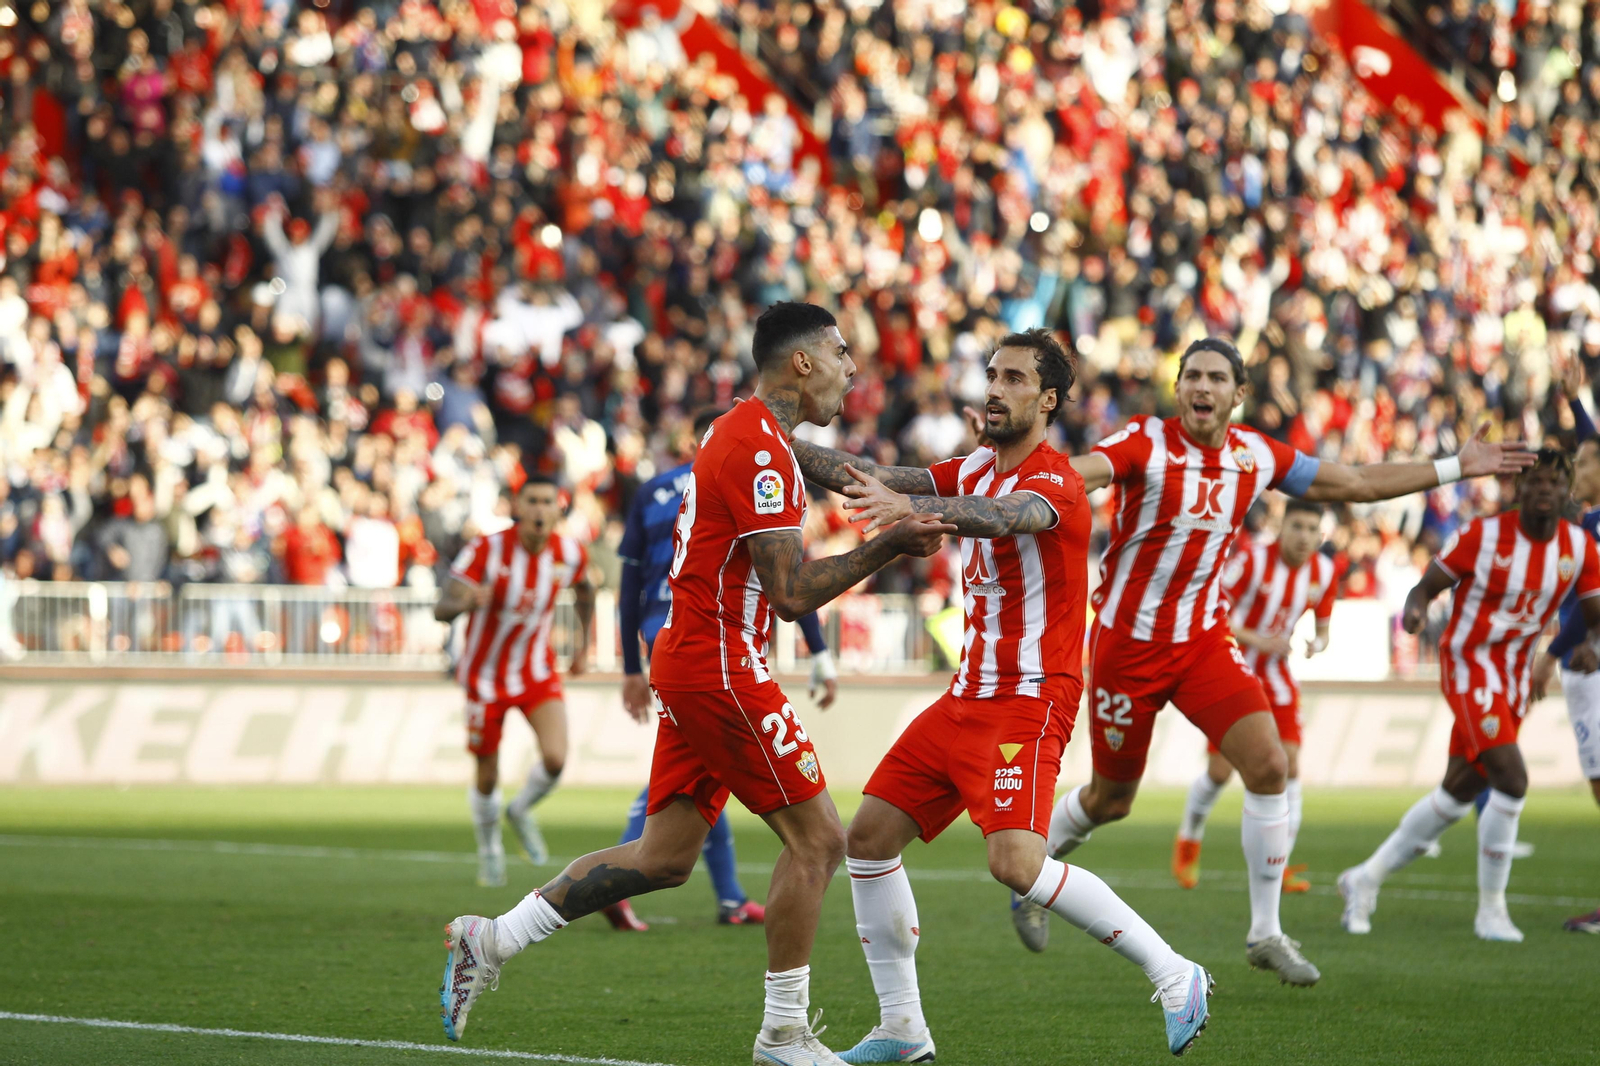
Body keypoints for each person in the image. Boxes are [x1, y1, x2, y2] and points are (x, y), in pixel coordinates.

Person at [438, 302, 953, 1066]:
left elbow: (853, 475)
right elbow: (789, 592)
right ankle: (784, 1033)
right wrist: (890, 546)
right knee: (817, 841)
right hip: (721, 664)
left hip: (696, 658)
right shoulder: (757, 450)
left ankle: (492, 937)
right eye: (842, 353)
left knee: (663, 857)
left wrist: (949, 486)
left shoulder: (751, 432)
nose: (855, 369)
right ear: (801, 362)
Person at [1013, 337, 1532, 985]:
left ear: (1239, 393)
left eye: (1216, 378)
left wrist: (1458, 465)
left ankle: (1266, 933)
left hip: (1203, 641)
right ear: (1180, 389)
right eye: (1192, 376)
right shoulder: (1146, 442)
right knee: (1112, 799)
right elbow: (1081, 472)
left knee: (1269, 766)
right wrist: (1018, 480)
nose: (1202, 387)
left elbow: (1359, 482)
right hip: (1128, 647)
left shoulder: (1255, 456)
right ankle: (1032, 871)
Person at [792, 330, 1213, 1060]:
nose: (993, 388)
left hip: (1030, 699)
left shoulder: (1054, 480)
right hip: (966, 699)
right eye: (991, 374)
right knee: (866, 842)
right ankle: (902, 1027)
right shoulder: (975, 466)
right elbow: (866, 472)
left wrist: (917, 507)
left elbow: (1005, 516)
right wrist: (769, 434)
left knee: (1016, 865)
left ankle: (1175, 973)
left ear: (1047, 400)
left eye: (1013, 378)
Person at [1340, 448, 1600, 941]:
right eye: (1534, 482)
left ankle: (1363, 878)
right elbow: (1425, 588)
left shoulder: (1579, 548)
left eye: (1553, 482)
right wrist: (1415, 612)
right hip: (1468, 665)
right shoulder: (1483, 537)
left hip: (1514, 676)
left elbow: (1596, 617)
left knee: (1459, 790)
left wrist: (1591, 646)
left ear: (1565, 490)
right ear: (1517, 489)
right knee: (1512, 777)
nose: (1543, 490)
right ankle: (1491, 912)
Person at [604, 408, 840, 932]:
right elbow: (788, 582)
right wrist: (819, 649)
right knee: (819, 838)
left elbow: (629, 589)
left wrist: (630, 664)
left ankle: (502, 933)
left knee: (671, 842)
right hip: (716, 653)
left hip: (669, 639)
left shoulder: (661, 490)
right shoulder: (756, 472)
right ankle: (782, 1011)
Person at [434, 475, 595, 887]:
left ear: (558, 510)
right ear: (518, 508)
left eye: (548, 501)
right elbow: (442, 607)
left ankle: (520, 810)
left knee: (556, 758)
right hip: (484, 676)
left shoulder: (569, 552)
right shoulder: (486, 549)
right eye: (533, 501)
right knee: (487, 773)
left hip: (535, 672)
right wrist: (467, 600)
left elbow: (586, 590)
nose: (540, 509)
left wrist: (583, 644)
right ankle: (490, 851)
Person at [1172, 499, 1339, 895]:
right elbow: (1211, 611)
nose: (1303, 537)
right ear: (1282, 528)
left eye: (1311, 530)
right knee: (1219, 773)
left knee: (1290, 765)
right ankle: (1188, 841)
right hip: (1232, 670)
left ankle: (1278, 862)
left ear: (1321, 536)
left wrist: (1319, 641)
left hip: (1277, 677)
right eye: (1296, 527)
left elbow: (1325, 627)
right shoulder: (1250, 560)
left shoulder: (1325, 571)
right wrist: (1259, 640)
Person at [1533, 374, 1600, 933]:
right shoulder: (1590, 520)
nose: (1576, 469)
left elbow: (1588, 603)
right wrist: (1576, 402)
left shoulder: (1596, 527)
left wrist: (1551, 652)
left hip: (1590, 667)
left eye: (1583, 462)